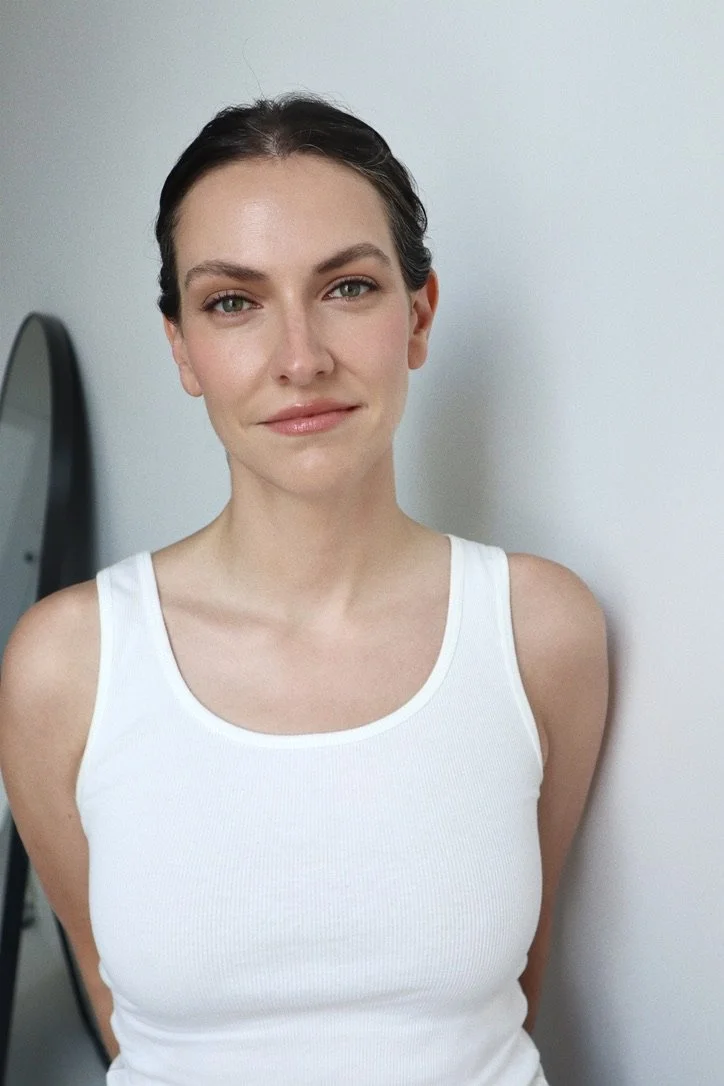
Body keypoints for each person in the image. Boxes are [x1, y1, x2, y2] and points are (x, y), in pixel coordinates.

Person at [0, 94, 608, 1085]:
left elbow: (507, 996)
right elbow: (124, 1012)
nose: (299, 360)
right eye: (233, 302)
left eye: (349, 288)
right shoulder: (65, 664)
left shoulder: (539, 629)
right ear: (182, 348)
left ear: (418, 316)